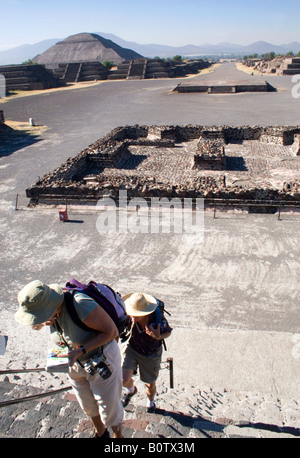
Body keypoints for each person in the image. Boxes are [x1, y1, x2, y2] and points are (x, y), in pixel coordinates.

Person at [15, 280, 123, 438]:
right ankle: (100, 432)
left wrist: (81, 350)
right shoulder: (51, 311)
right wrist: (43, 321)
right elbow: (40, 322)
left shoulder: (80, 304)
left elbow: (111, 332)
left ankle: (118, 436)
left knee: (109, 408)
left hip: (101, 360)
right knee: (87, 404)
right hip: (73, 363)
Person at [121, 292, 172, 413]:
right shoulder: (127, 315)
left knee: (149, 384)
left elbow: (168, 332)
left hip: (151, 353)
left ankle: (150, 401)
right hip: (132, 348)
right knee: (123, 379)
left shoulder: (156, 320)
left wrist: (158, 336)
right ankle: (131, 390)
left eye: (136, 315)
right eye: (132, 314)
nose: (133, 318)